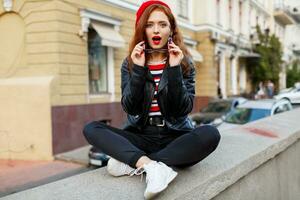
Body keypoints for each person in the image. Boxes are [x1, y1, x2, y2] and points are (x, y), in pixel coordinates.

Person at [83, 1, 220, 199]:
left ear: (171, 29)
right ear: (142, 29)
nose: (156, 30)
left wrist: (173, 69)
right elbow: (130, 107)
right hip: (141, 136)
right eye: (149, 24)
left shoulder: (184, 62)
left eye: (162, 24)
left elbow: (183, 109)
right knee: (91, 128)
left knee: (211, 134)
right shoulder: (130, 63)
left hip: (175, 136)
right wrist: (138, 70)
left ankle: (137, 163)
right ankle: (153, 166)